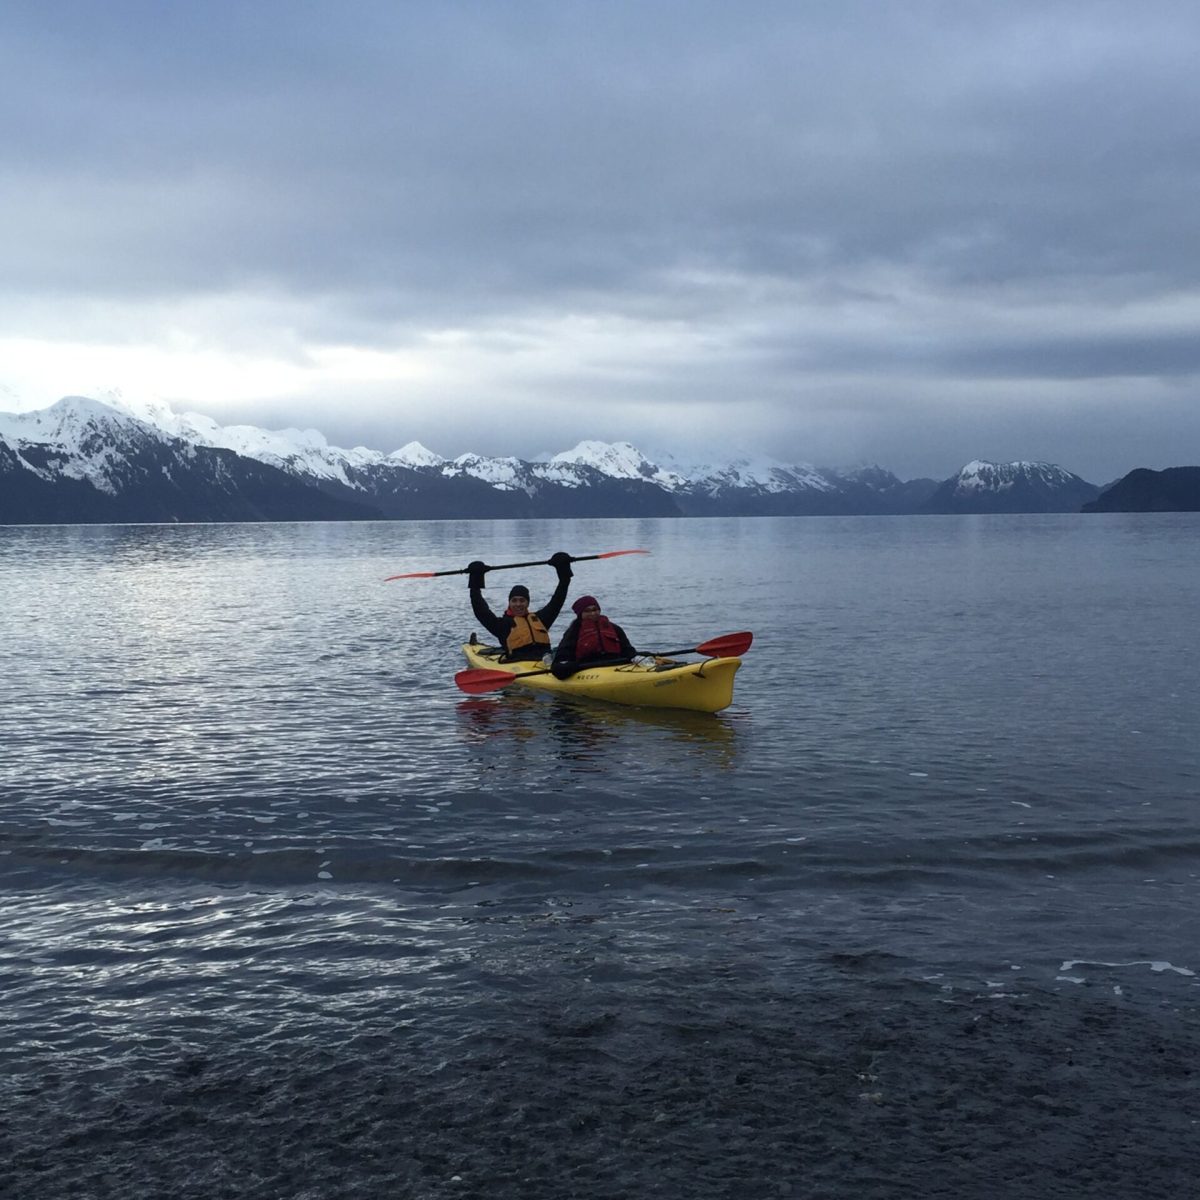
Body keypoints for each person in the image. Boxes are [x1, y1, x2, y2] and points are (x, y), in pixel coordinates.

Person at [467, 551, 573, 661]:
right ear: (509, 603)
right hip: (519, 666)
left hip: (545, 663)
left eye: (522, 600)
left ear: (527, 603)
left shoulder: (541, 619)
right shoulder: (502, 626)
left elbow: (558, 599)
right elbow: (480, 610)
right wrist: (475, 582)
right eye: (514, 601)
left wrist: (563, 571)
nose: (518, 604)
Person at [550, 595, 637, 679]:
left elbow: (628, 649)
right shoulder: (573, 632)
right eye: (587, 611)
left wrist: (634, 657)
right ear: (580, 614)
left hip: (615, 664)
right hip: (588, 667)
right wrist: (565, 666)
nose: (592, 613)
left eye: (595, 610)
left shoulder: (615, 628)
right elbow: (562, 656)